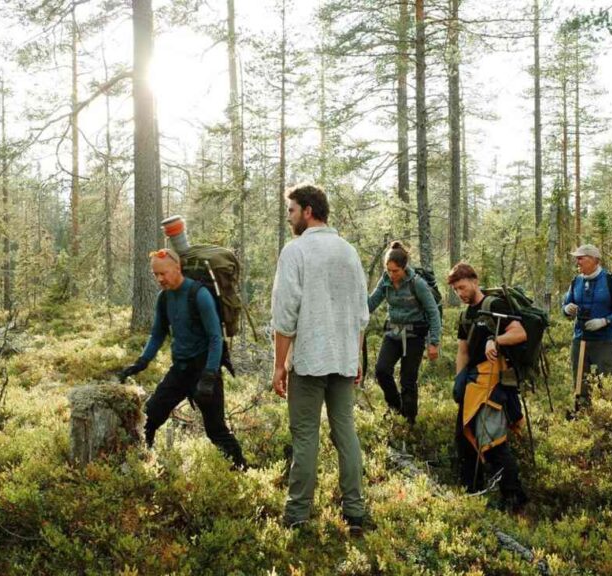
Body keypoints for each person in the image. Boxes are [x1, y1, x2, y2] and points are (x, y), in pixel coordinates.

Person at [270, 183, 372, 535]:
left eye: (292, 210)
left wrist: (279, 366)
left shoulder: (295, 252)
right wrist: (356, 357)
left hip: (310, 359)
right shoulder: (348, 252)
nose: (289, 218)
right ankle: (355, 512)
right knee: (345, 431)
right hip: (344, 357)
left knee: (305, 436)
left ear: (308, 211)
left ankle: (297, 514)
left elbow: (285, 316)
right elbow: (362, 313)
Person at [120, 249, 247, 469]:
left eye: (163, 273)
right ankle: (143, 465)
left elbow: (216, 338)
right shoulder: (164, 298)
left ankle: (242, 468)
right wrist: (141, 362)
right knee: (149, 419)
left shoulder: (199, 294)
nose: (159, 279)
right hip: (180, 370)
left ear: (177, 268)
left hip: (204, 369)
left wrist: (209, 375)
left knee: (216, 431)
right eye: (155, 275)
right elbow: (158, 333)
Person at [447, 262, 529, 514]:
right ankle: (473, 494)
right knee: (464, 440)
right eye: (455, 290)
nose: (460, 293)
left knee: (493, 442)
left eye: (462, 287)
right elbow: (462, 349)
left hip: (492, 383)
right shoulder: (465, 315)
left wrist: (496, 339)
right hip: (472, 384)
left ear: (474, 281)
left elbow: (519, 333)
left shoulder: (494, 306)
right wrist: (459, 381)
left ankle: (516, 500)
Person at [367, 241, 442, 425]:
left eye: (395, 271)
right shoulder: (385, 281)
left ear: (404, 267)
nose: (392, 275)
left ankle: (409, 420)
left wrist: (434, 342)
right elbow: (371, 303)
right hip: (393, 334)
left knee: (408, 380)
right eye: (389, 270)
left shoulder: (418, 284)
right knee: (382, 371)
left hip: (414, 336)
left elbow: (433, 312)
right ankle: (395, 407)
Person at [561, 244, 612, 411]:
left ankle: (607, 417)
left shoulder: (611, 281)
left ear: (594, 260)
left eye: (581, 258)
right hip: (580, 340)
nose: (577, 262)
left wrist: (604, 321)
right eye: (577, 258)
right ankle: (581, 416)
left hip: (605, 341)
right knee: (579, 383)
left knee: (607, 382)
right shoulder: (576, 281)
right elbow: (565, 305)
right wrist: (567, 309)